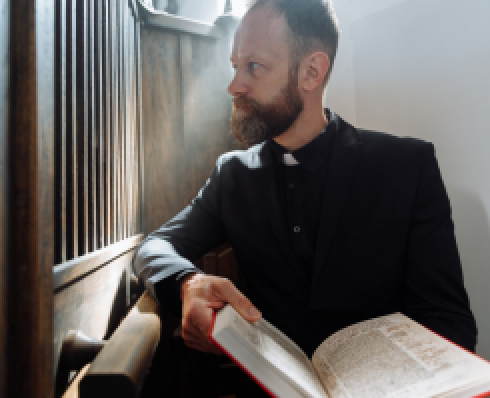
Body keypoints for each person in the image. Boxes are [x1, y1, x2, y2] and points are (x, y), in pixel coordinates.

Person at [133, 0, 476, 392]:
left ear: (312, 71)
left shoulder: (407, 166)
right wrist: (187, 282)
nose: (234, 86)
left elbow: (451, 322)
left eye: (254, 67)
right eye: (235, 67)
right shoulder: (232, 175)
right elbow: (153, 246)